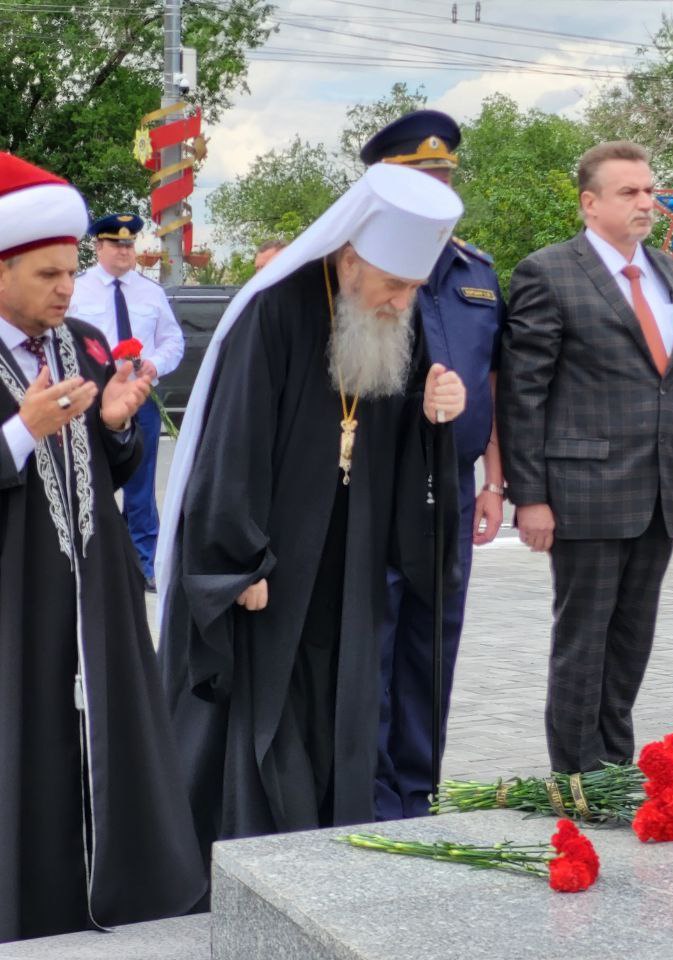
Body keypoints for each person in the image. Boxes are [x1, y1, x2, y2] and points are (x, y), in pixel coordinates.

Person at [157, 163, 467, 854]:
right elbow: (230, 446)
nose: (402, 302)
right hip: (267, 569)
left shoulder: (392, 321)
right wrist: (237, 560)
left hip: (346, 564)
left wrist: (434, 417)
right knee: (256, 726)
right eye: (394, 285)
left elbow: (403, 445)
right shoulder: (275, 310)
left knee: (339, 715)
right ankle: (247, 862)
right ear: (352, 260)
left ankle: (327, 849)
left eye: (415, 288)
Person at [0, 153, 203, 942]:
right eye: (47, 273)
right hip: (17, 603)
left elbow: (104, 473)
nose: (64, 288)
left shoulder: (79, 343)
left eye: (69, 270)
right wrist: (23, 430)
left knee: (112, 739)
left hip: (98, 592)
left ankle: (128, 892)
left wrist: (114, 424)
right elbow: (34, 448)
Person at [498, 140, 673, 774]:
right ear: (590, 204)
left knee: (632, 640)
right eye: (628, 193)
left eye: (649, 190)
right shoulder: (548, 272)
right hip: (583, 493)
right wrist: (529, 497)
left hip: (658, 493)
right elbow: (524, 392)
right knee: (584, 643)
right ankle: (578, 778)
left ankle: (614, 767)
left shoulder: (671, 271)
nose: (646, 202)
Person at [360, 110, 507, 819]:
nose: (440, 190)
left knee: (434, 638)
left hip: (451, 486)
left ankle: (417, 787)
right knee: (378, 637)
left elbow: (493, 381)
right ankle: (372, 787)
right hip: (378, 485)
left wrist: (495, 482)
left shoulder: (476, 271)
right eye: (425, 178)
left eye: (447, 177)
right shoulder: (365, 266)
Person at [69, 213, 183, 591]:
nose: (124, 250)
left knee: (140, 485)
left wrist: (155, 364)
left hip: (138, 399)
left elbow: (174, 342)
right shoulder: (77, 290)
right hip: (89, 400)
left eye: (129, 244)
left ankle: (143, 565)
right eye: (116, 244)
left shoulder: (151, 293)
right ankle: (90, 563)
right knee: (89, 481)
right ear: (97, 247)